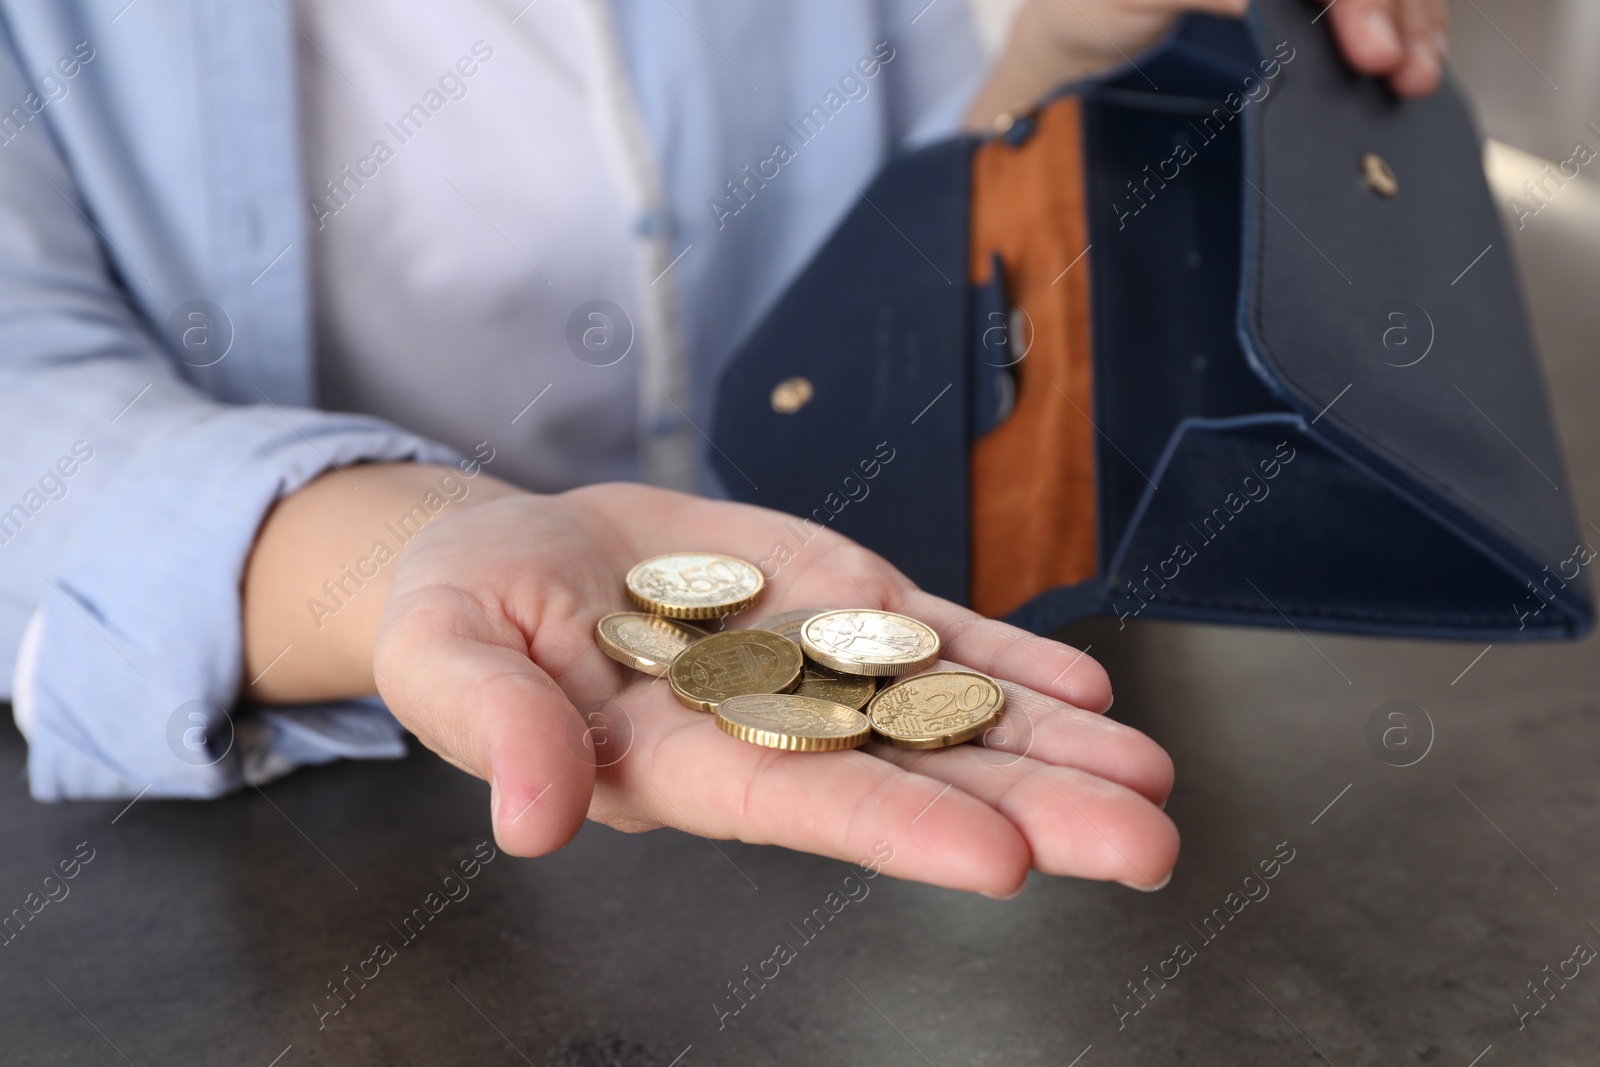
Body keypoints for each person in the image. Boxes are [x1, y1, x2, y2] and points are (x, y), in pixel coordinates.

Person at [0, 0, 1443, 897]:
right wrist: (405, 551)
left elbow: (906, 241)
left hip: (890, 609)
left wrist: (1067, 51)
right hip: (299, 848)